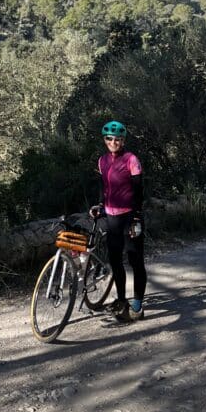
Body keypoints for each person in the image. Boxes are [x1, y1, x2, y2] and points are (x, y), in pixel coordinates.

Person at [89, 120, 146, 322]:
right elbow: (102, 186)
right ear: (104, 140)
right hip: (112, 217)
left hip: (130, 215)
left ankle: (138, 303)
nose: (114, 142)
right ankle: (121, 300)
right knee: (115, 261)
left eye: (118, 139)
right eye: (109, 138)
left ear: (123, 140)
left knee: (135, 259)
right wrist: (99, 205)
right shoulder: (102, 161)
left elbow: (139, 191)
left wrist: (137, 217)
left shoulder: (131, 160)